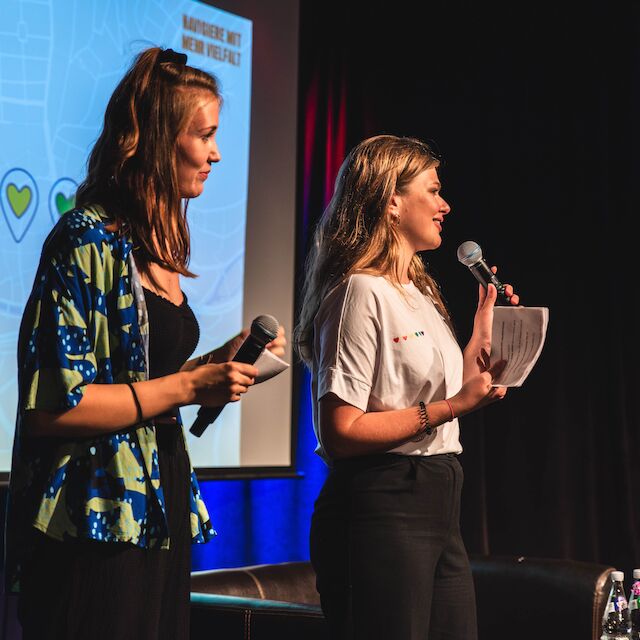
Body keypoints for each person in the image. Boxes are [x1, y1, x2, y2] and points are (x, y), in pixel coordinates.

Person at [4, 46, 285, 640]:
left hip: (156, 501)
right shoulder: (85, 242)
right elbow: (57, 407)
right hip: (96, 516)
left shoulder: (155, 242)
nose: (216, 153)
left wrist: (220, 360)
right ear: (159, 139)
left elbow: (145, 371)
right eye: (204, 135)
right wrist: (190, 384)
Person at [294, 134, 519, 640]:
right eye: (434, 190)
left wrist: (484, 324)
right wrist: (451, 406)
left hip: (440, 494)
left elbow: (448, 391)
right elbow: (341, 432)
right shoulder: (358, 290)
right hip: (382, 501)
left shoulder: (417, 292)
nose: (445, 205)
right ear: (391, 200)